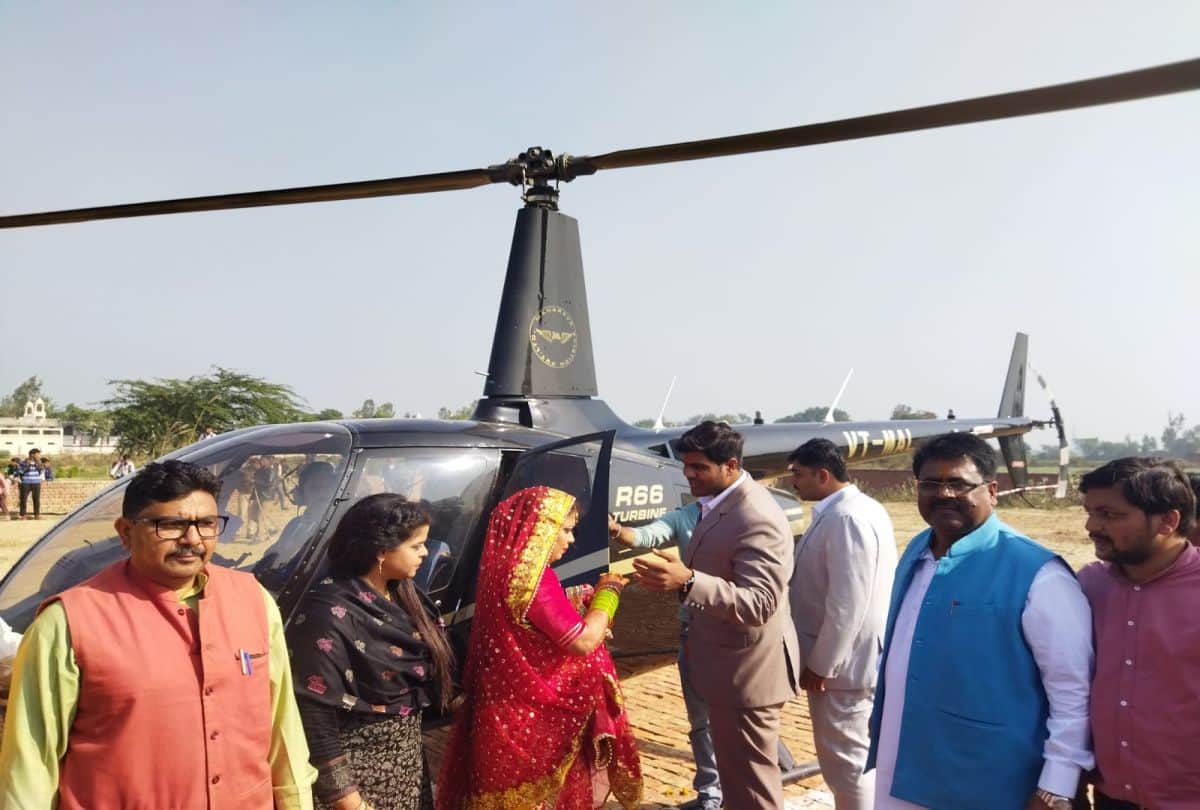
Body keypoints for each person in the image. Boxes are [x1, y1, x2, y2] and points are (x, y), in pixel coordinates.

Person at [0, 460, 316, 808]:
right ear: (125, 532)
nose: (192, 540)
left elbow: (282, 727)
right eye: (170, 525)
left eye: (207, 524)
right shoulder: (67, 623)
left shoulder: (253, 600)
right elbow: (30, 766)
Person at [866, 433, 1093, 810]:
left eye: (958, 483)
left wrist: (1056, 787)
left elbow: (1072, 690)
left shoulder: (1037, 573)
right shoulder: (917, 549)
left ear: (991, 489)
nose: (945, 494)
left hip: (988, 779)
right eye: (931, 484)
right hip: (902, 763)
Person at [438, 486, 643, 809]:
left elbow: (526, 622)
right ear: (539, 529)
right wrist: (609, 592)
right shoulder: (533, 580)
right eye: (565, 530)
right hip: (533, 719)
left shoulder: (503, 569)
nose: (570, 540)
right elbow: (582, 640)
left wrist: (574, 600)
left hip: (501, 706)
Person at [633, 421, 799, 809]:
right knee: (737, 782)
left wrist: (688, 581)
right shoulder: (719, 502)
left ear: (731, 465)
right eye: (686, 466)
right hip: (724, 667)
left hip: (748, 674)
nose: (689, 475)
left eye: (699, 468)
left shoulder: (755, 516)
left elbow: (760, 603)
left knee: (753, 788)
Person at [289, 494, 457, 809]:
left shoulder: (403, 594)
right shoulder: (327, 614)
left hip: (407, 765)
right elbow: (314, 715)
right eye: (416, 545)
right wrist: (348, 800)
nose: (425, 553)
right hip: (357, 777)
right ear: (382, 551)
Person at [1077, 458, 1200, 808]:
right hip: (1111, 798)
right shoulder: (1088, 586)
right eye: (1089, 512)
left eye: (1110, 515)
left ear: (1168, 521)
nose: (1092, 526)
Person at [787, 438, 896, 810]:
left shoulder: (847, 517)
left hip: (843, 667)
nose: (793, 483)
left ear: (823, 474)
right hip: (853, 660)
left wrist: (824, 661)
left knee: (846, 766)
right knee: (852, 762)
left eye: (799, 475)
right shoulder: (862, 508)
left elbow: (847, 601)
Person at [610, 503, 723, 809]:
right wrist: (617, 531)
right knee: (701, 717)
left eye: (697, 468)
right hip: (694, 628)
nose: (690, 475)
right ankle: (712, 793)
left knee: (744, 709)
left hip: (732, 627)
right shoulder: (685, 515)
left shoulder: (747, 512)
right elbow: (647, 535)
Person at [16, 448, 45, 520]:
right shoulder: (23, 462)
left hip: (36, 483)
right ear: (32, 454)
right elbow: (20, 472)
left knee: (36, 499)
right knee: (23, 499)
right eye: (37, 454)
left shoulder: (39, 462)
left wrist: (38, 464)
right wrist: (27, 465)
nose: (39, 455)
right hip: (26, 483)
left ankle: (37, 515)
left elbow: (41, 471)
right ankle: (23, 515)